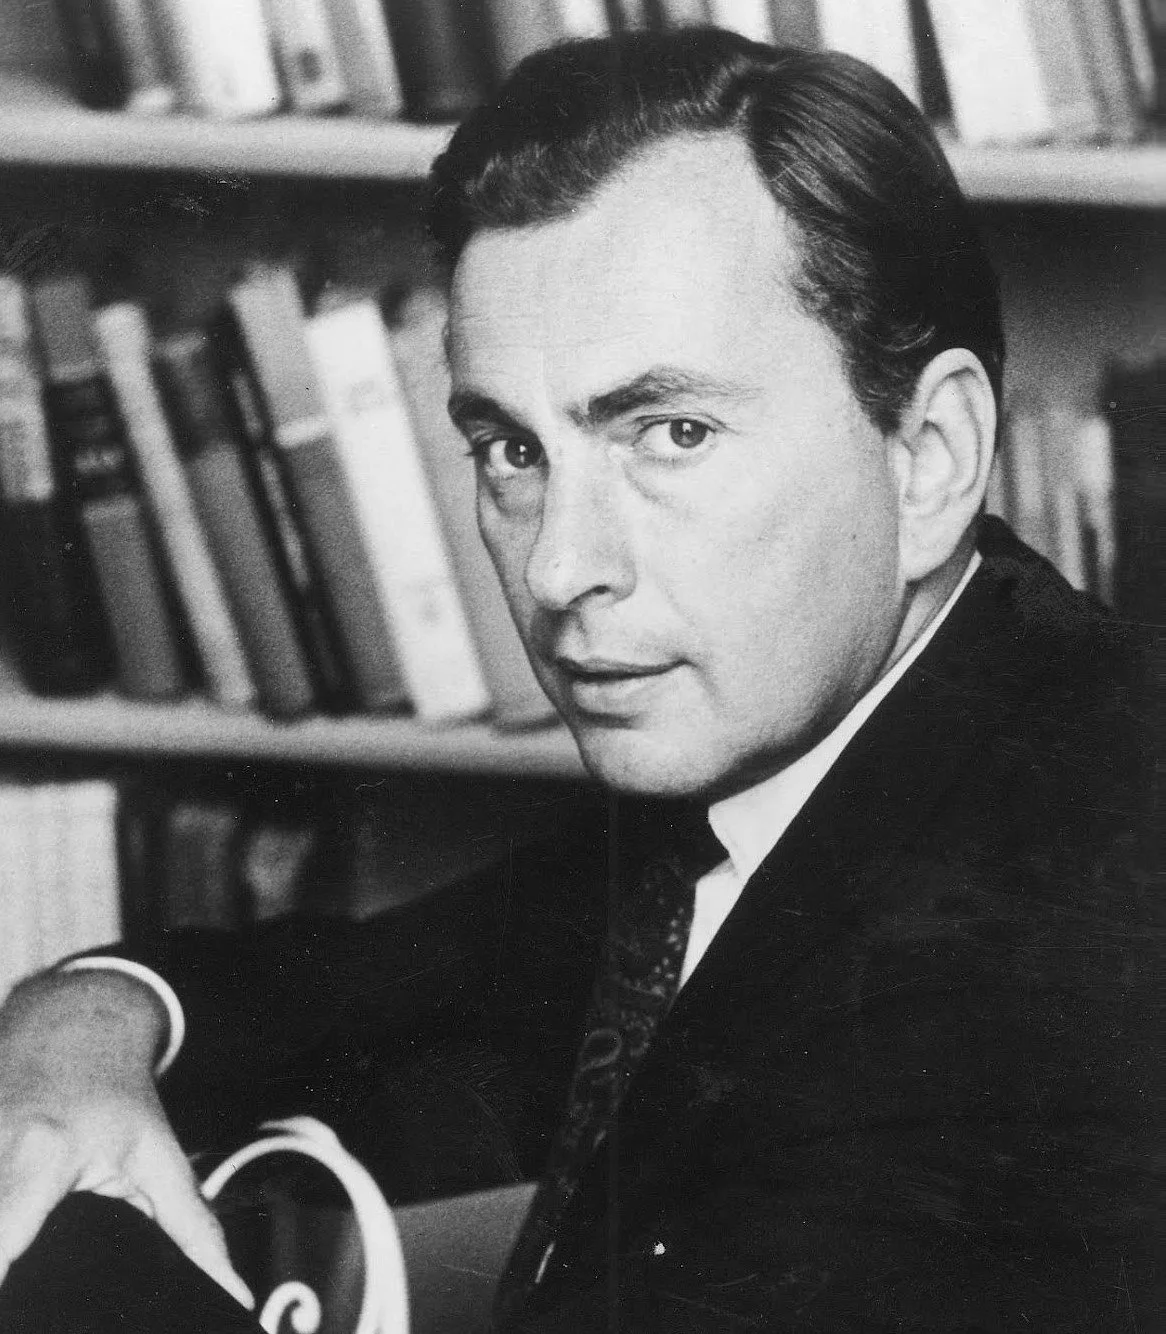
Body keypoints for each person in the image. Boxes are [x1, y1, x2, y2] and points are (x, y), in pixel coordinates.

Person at [0, 28, 1157, 1332]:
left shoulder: (1041, 987)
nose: (558, 566)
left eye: (669, 432)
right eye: (507, 447)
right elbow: (392, 977)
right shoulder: (861, 723)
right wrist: (77, 1022)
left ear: (930, 456)